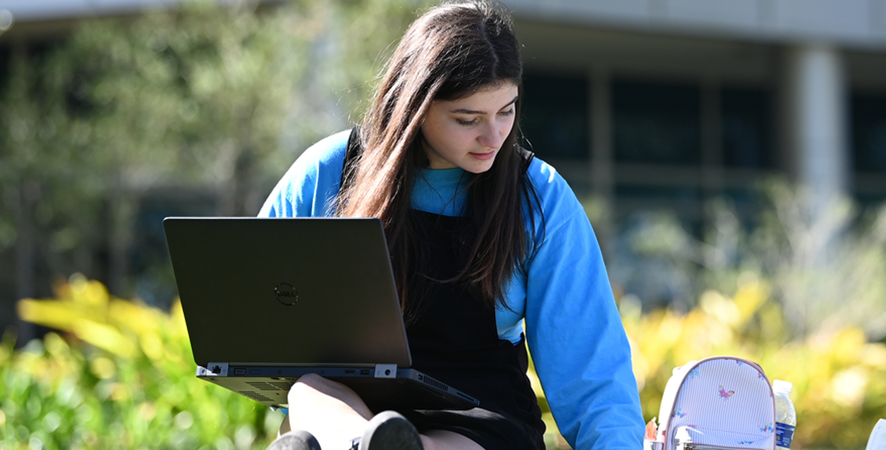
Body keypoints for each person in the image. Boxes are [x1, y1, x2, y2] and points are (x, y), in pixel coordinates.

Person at [257, 1, 642, 449]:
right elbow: (260, 315)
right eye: (467, 119)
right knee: (310, 390)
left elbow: (592, 374)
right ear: (414, 107)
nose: (494, 137)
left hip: (477, 415)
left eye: (507, 110)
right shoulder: (329, 171)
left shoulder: (538, 195)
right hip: (354, 403)